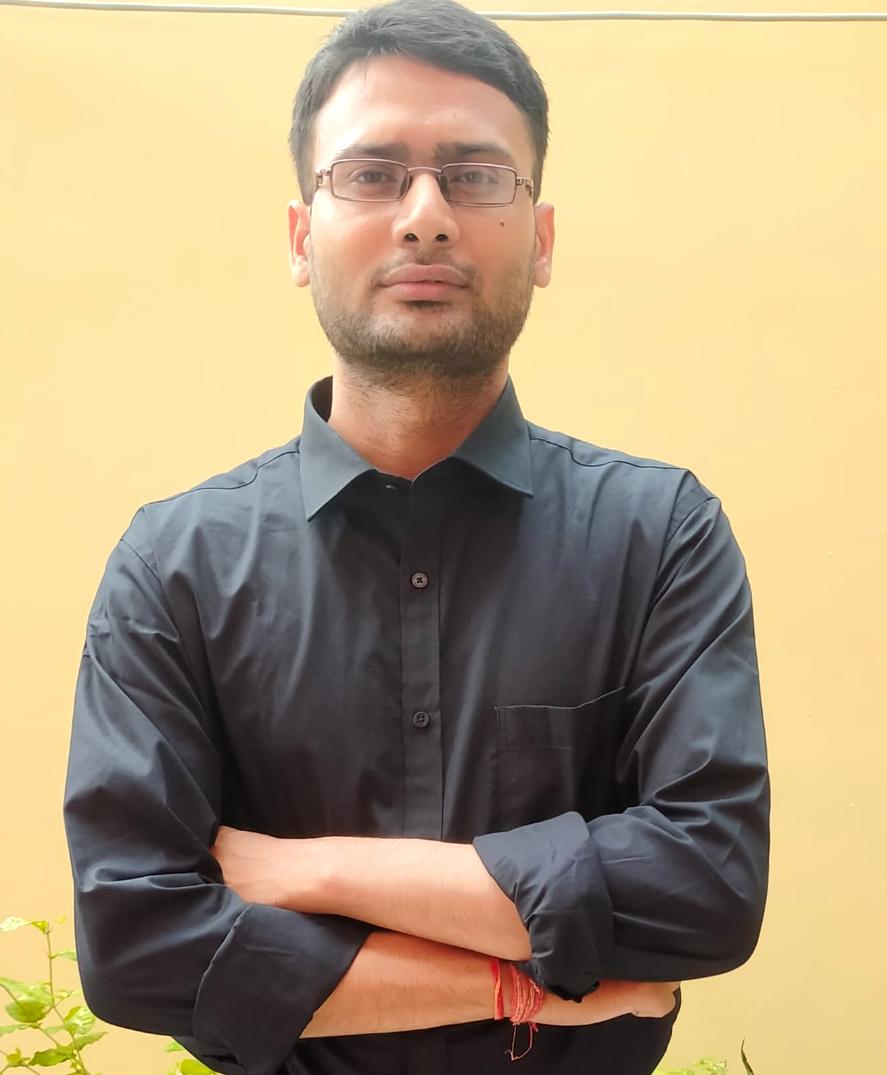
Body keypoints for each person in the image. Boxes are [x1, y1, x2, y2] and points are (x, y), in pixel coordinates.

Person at [62, 1, 770, 1073]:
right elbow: (136, 948)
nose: (425, 216)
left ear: (540, 240)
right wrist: (521, 982)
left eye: (476, 175)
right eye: (372, 173)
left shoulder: (659, 535)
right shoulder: (175, 567)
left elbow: (707, 890)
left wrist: (313, 870)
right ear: (301, 239)